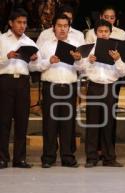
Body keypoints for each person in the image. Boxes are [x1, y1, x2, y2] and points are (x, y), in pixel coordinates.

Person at [76, 19, 125, 168]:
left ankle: (109, 158)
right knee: (92, 123)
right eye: (100, 31)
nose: (103, 34)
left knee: (109, 124)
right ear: (95, 33)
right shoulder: (90, 50)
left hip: (110, 88)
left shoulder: (116, 49)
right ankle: (91, 158)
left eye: (106, 31)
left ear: (110, 33)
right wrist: (89, 62)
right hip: (94, 87)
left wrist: (117, 60)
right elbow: (81, 69)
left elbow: (123, 72)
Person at [36, 14, 84, 168]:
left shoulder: (76, 45)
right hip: (51, 87)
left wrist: (77, 59)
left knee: (68, 124)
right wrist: (48, 61)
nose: (62, 29)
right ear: (53, 27)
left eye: (65, 26)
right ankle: (48, 157)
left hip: (69, 87)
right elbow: (35, 66)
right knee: (49, 124)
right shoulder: (45, 45)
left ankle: (68, 157)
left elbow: (83, 69)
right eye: (59, 26)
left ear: (69, 28)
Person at [0, 8, 37, 169]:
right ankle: (2, 158)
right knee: (3, 121)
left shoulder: (29, 42)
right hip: (5, 81)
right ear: (11, 23)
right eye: (19, 22)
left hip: (23, 82)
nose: (22, 26)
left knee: (22, 121)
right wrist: (6, 57)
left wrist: (34, 60)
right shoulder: (1, 39)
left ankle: (19, 158)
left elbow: (37, 67)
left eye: (24, 23)